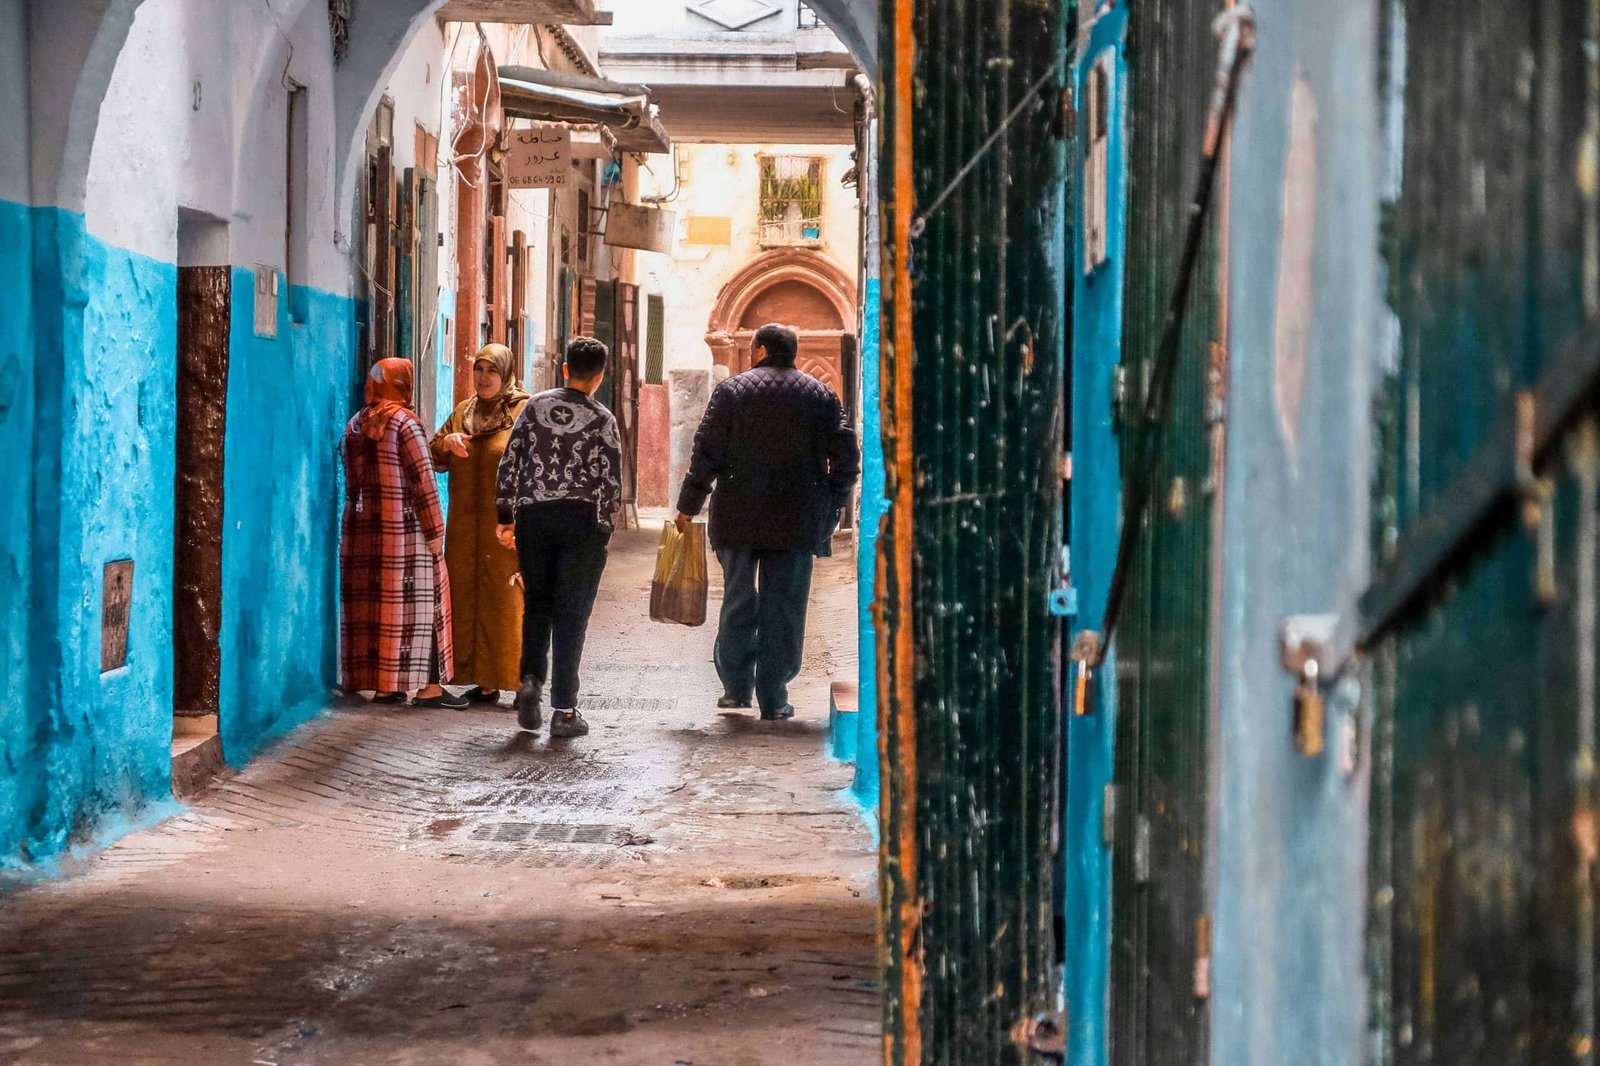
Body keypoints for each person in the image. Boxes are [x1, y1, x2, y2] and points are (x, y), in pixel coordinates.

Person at [675, 322, 860, 721]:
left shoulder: (731, 391)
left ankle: (736, 689)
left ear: (759, 350)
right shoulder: (820, 394)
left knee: (739, 599)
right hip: (796, 521)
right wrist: (830, 506)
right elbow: (848, 457)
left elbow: (706, 452)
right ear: (792, 352)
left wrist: (688, 504)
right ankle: (774, 697)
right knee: (785, 606)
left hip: (738, 517)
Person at [495, 336, 622, 738]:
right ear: (599, 377)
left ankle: (530, 680)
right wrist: (603, 529)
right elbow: (611, 483)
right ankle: (564, 711)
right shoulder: (603, 419)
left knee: (537, 606)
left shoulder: (534, 407)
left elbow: (510, 463)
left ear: (565, 368)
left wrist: (505, 516)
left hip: (534, 518)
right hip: (580, 523)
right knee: (572, 616)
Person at [340, 357, 467, 709]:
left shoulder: (355, 424)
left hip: (364, 532)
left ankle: (386, 686)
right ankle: (430, 688)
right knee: (427, 604)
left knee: (380, 609)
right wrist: (435, 532)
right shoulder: (405, 425)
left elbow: (353, 482)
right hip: (406, 533)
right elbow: (423, 482)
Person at [430, 343, 532, 706]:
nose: (484, 378)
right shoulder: (463, 412)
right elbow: (434, 451)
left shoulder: (523, 410)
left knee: (507, 602)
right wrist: (449, 441)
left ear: (505, 374)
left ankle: (520, 682)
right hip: (464, 529)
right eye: (479, 370)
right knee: (468, 600)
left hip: (506, 528)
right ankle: (484, 681)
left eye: (492, 371)